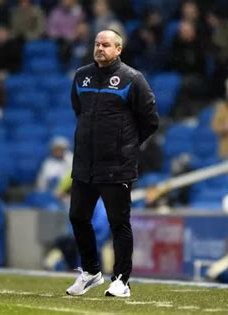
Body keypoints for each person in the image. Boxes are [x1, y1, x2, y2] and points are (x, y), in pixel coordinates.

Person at [66, 29, 159, 298]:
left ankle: (121, 280)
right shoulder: (81, 76)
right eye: (97, 44)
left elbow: (150, 120)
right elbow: (79, 111)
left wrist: (126, 145)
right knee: (77, 217)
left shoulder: (133, 79)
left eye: (106, 44)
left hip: (117, 164)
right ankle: (92, 271)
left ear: (119, 49)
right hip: (85, 162)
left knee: (119, 222)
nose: (100, 48)